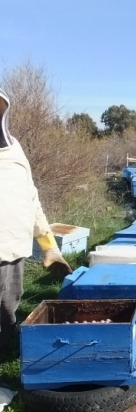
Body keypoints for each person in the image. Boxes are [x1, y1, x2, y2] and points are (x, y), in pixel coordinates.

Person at [0, 88, 73, 356]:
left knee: (8, 309)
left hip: (15, 252)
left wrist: (49, 245)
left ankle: (6, 353)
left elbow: (30, 199)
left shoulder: (15, 150)